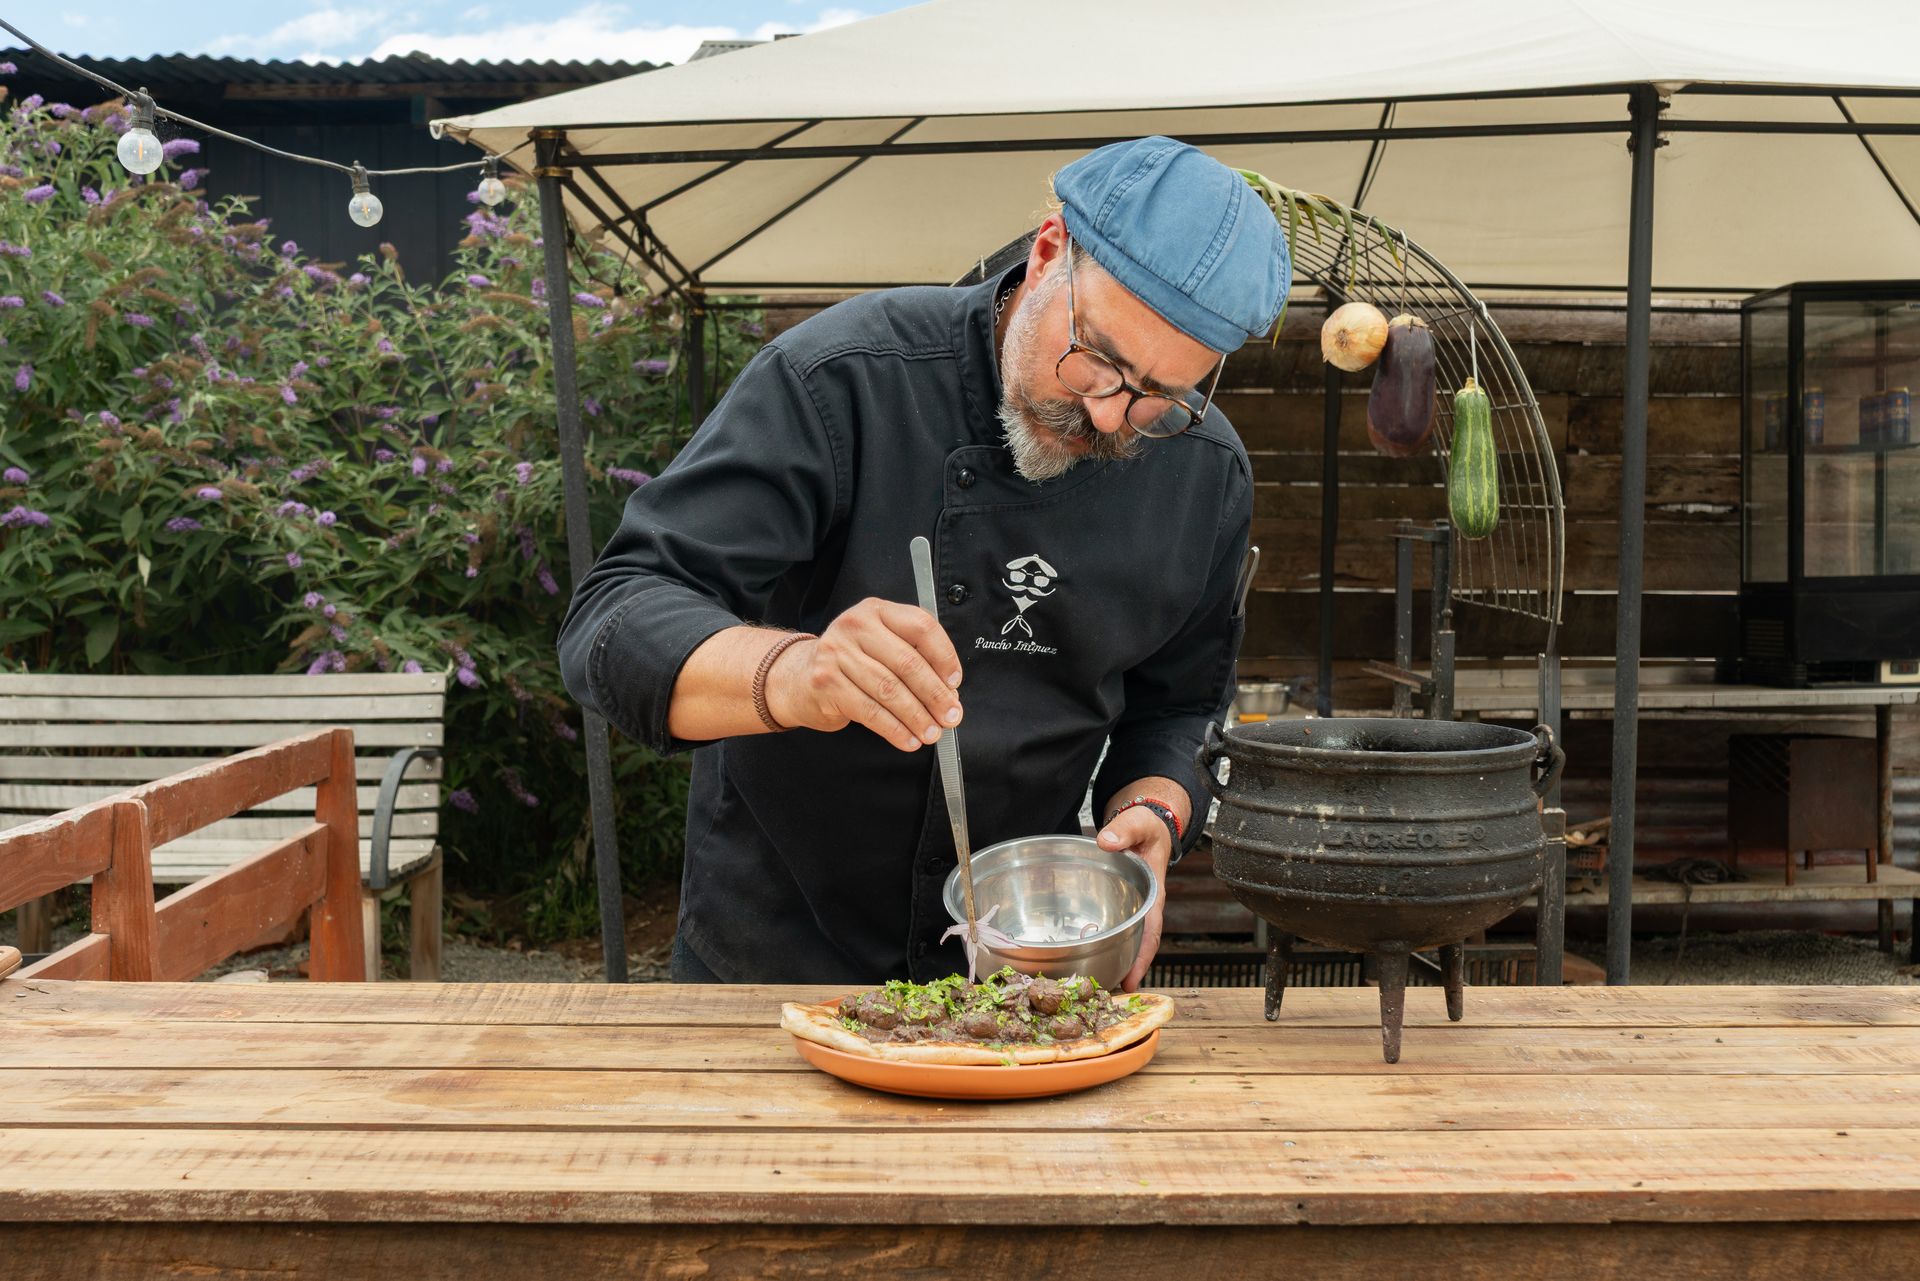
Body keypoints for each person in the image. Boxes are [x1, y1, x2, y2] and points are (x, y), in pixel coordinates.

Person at [557, 135, 1289, 988]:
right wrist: (798, 672)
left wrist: (1153, 813)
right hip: (774, 961)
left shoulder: (1205, 472)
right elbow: (612, 616)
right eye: (1099, 358)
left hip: (1022, 974)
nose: (1105, 411)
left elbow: (1182, 706)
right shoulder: (841, 380)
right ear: (1049, 250)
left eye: (1159, 397)